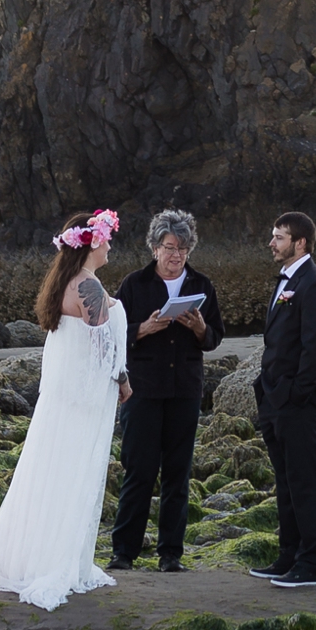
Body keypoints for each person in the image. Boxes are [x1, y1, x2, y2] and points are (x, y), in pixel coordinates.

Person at [0, 208, 131, 609]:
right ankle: (60, 562)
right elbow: (104, 348)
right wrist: (124, 381)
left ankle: (37, 557)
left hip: (64, 398)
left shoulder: (64, 282)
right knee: (75, 477)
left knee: (51, 474)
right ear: (92, 242)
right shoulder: (89, 288)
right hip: (84, 401)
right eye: (106, 237)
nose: (110, 244)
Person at [111, 207, 224, 573]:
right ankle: (124, 552)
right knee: (138, 471)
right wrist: (143, 329)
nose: (177, 255)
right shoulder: (134, 284)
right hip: (142, 389)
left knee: (178, 474)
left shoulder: (202, 285)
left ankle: (170, 554)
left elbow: (215, 338)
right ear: (155, 248)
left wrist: (200, 329)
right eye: (170, 247)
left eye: (183, 249)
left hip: (184, 390)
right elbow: (113, 335)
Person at [252, 212, 316, 589]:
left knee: (305, 481)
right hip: (273, 398)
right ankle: (289, 553)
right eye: (273, 236)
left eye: (279, 237)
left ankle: (312, 562)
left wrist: (296, 394)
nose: (272, 243)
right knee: (285, 481)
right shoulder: (286, 280)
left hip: (295, 401)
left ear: (300, 243)